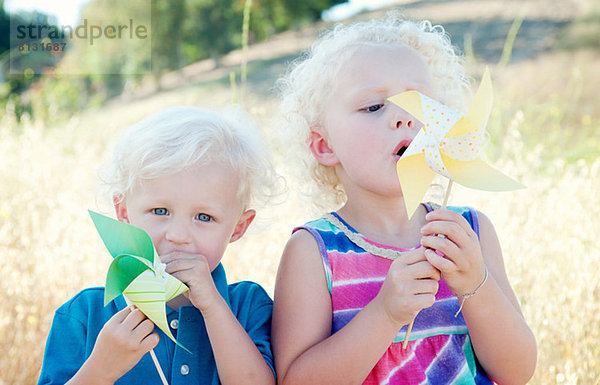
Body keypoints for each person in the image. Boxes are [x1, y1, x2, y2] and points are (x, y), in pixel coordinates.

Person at [272, 16, 537, 384]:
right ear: (324, 145)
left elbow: (517, 371)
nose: (405, 118)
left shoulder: (470, 234)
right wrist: (385, 313)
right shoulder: (314, 252)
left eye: (422, 104)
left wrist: (475, 284)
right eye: (374, 107)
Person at [38, 106, 278, 385]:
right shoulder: (83, 315)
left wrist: (213, 307)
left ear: (239, 226)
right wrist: (100, 369)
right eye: (160, 210)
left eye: (204, 217)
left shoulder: (248, 306)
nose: (178, 235)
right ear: (124, 211)